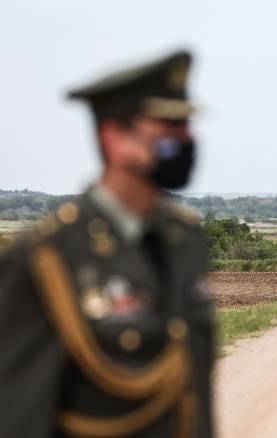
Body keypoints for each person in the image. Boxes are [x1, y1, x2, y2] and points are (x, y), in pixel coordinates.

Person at [0, 50, 214, 437]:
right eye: (169, 124)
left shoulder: (186, 243)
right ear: (115, 138)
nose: (186, 138)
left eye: (186, 124)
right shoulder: (45, 261)